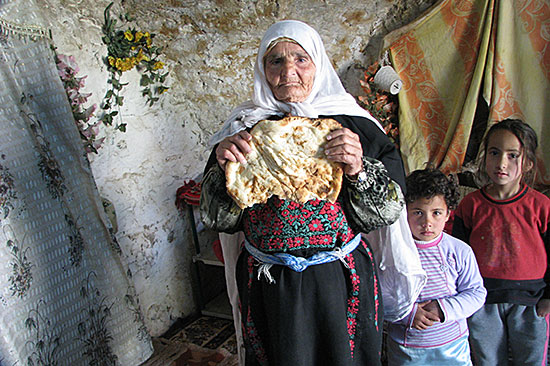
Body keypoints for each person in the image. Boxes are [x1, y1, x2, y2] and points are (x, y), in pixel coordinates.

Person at [200, 20, 408, 366]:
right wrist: (223, 169)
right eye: (275, 61)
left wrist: (357, 168)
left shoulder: (354, 127)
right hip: (269, 284)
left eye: (301, 59)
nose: (288, 72)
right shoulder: (243, 132)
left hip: (338, 282)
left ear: (318, 64)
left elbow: (385, 214)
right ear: (263, 70)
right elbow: (220, 218)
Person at [452, 119, 550, 366]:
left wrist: (549, 297)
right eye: (494, 153)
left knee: (531, 360)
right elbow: (458, 257)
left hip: (531, 302)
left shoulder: (541, 206)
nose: (501, 163)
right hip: (482, 300)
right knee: (487, 360)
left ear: (527, 163)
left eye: (512, 155)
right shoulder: (471, 205)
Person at [386, 168, 486, 365]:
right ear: (404, 211)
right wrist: (407, 313)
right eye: (418, 213)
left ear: (448, 214)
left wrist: (442, 309)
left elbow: (476, 293)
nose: (427, 222)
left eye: (436, 213)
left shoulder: (459, 251)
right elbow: (381, 293)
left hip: (452, 346)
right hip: (407, 349)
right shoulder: (393, 250)